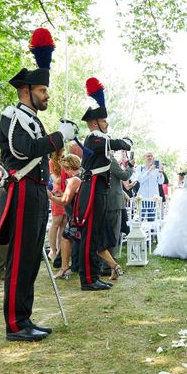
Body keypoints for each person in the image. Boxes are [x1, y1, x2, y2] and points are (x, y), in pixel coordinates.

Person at [0, 28, 75, 342]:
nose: (47, 95)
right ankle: (14, 324)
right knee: (20, 257)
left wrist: (58, 141)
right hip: (20, 193)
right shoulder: (13, 114)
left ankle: (24, 318)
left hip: (35, 192)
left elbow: (41, 155)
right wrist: (58, 137)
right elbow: (22, 151)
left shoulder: (32, 119)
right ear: (27, 89)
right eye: (42, 90)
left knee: (31, 257)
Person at [75, 78, 132, 291]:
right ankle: (87, 279)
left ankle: (93, 275)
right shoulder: (93, 138)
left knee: (96, 234)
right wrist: (125, 142)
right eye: (104, 121)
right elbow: (114, 143)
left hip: (99, 189)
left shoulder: (100, 139)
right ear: (94, 123)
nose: (107, 124)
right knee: (90, 234)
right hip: (91, 190)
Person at [47, 153, 82, 279]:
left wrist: (51, 196)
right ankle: (65, 267)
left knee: (67, 239)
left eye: (65, 168)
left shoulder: (73, 180)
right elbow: (72, 196)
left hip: (76, 217)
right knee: (66, 239)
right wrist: (61, 193)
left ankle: (64, 268)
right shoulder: (81, 176)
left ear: (69, 167)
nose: (64, 172)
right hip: (79, 215)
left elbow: (65, 201)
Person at [109, 153, 134, 260]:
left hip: (103, 200)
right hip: (113, 201)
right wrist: (130, 167)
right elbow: (124, 176)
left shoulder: (94, 158)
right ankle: (109, 262)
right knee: (114, 231)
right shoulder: (109, 159)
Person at [47, 150, 67, 263]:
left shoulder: (63, 161)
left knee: (64, 223)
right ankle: (52, 251)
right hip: (57, 192)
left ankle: (60, 251)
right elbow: (56, 179)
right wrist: (65, 169)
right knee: (56, 222)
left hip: (65, 192)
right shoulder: (51, 162)